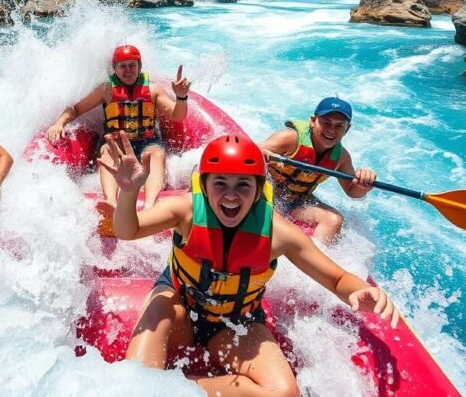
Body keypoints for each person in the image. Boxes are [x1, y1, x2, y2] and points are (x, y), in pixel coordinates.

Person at [103, 132, 400, 397]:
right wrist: (129, 193)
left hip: (233, 323)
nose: (231, 195)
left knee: (283, 393)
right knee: (158, 312)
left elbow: (336, 280)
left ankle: (177, 386)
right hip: (179, 306)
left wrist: (358, 290)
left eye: (243, 185)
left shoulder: (278, 234)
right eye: (220, 183)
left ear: (258, 189)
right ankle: (144, 387)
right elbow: (128, 230)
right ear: (204, 186)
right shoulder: (186, 210)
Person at [46, 45, 190, 207]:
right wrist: (59, 123)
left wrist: (181, 97)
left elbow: (177, 115)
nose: (128, 70)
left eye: (132, 65)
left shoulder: (153, 90)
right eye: (122, 66)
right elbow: (75, 109)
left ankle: (150, 205)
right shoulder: (106, 90)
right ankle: (111, 203)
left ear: (139, 66)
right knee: (107, 150)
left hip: (147, 142)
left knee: (156, 153)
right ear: (115, 69)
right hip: (116, 143)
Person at [257, 97, 377, 243]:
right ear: (313, 121)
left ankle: (318, 256)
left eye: (339, 126)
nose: (331, 130)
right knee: (274, 215)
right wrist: (262, 154)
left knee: (334, 220)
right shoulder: (289, 139)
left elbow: (352, 191)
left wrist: (363, 184)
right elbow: (253, 149)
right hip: (265, 192)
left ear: (347, 129)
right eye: (326, 122)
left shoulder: (341, 157)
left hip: (297, 202)